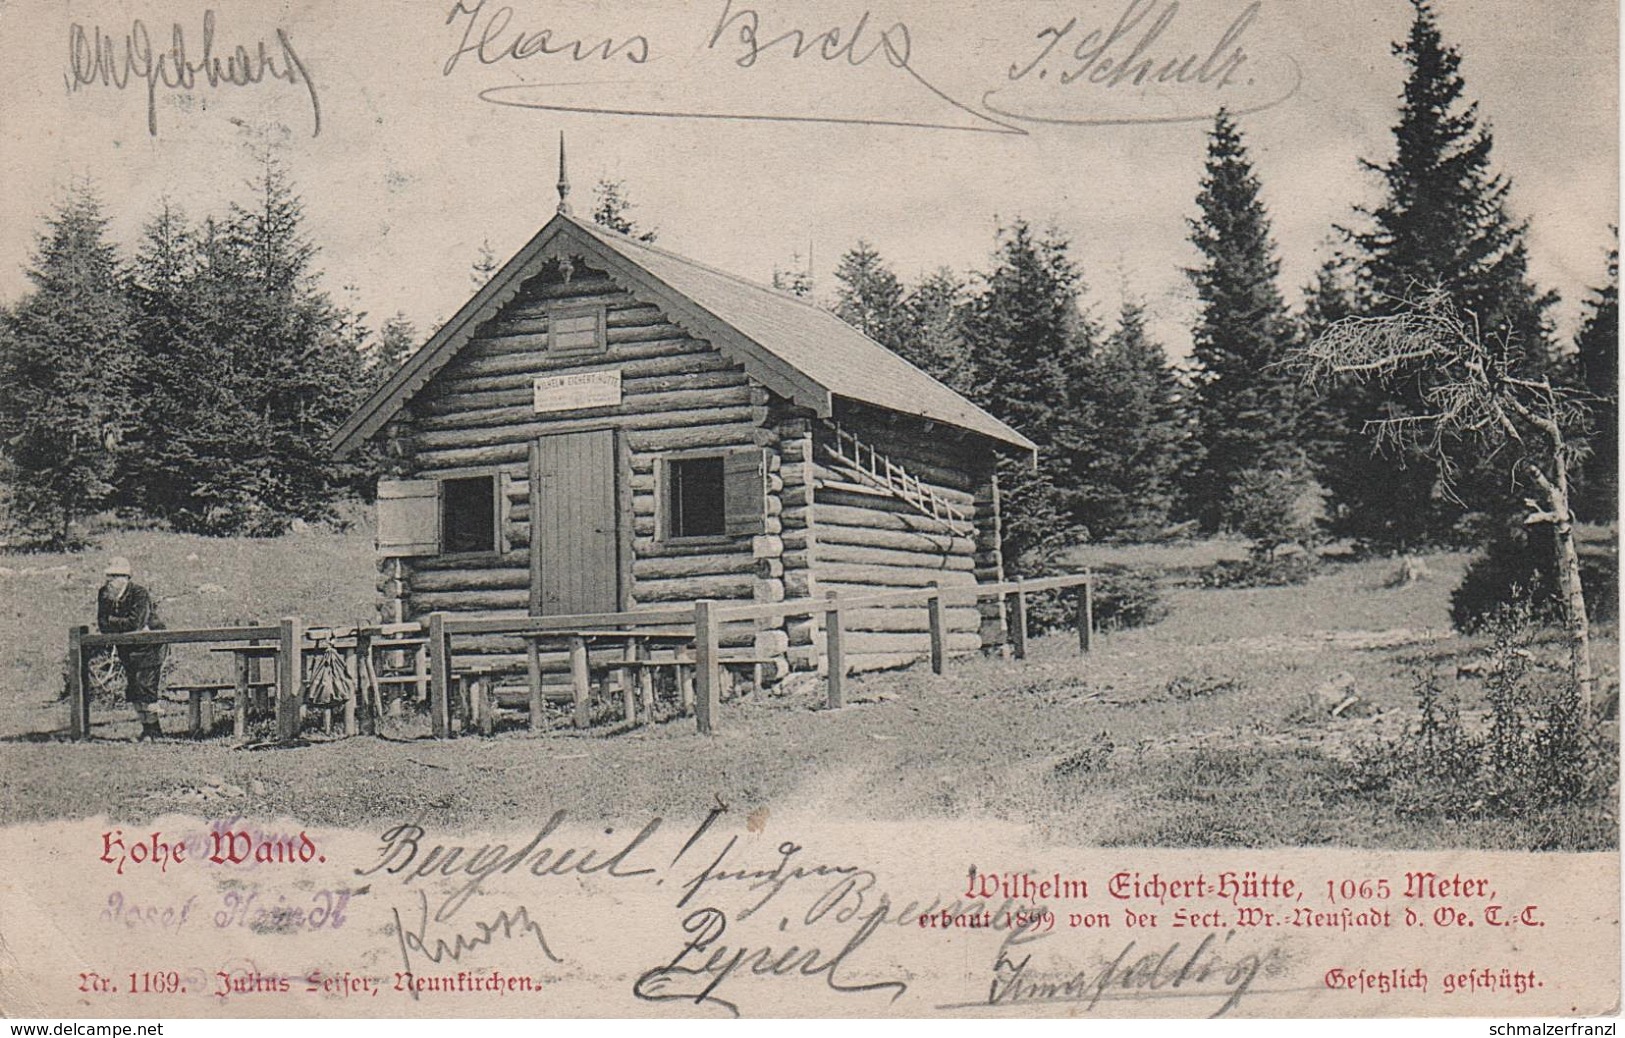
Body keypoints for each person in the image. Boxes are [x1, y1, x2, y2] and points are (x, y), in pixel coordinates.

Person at [97, 557, 167, 741]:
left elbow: (136, 622)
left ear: (125, 578)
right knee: (134, 689)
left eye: (114, 577)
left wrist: (113, 622)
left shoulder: (139, 593)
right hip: (127, 647)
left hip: (150, 645)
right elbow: (102, 624)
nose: (109, 581)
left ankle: (155, 731)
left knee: (146, 686)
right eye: (108, 577)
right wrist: (118, 624)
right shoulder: (104, 594)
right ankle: (148, 730)